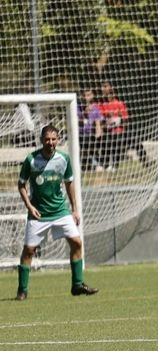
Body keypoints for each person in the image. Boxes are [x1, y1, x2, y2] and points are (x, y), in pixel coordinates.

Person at [15, 124, 99, 300]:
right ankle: (22, 290)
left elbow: (69, 183)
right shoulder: (31, 159)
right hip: (39, 213)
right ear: (41, 140)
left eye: (53, 139)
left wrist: (75, 209)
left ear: (58, 140)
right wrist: (29, 207)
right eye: (47, 139)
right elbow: (21, 184)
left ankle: (77, 285)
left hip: (60, 211)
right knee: (29, 250)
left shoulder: (64, 159)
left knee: (76, 242)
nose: (50, 142)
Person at [99, 80, 129, 171]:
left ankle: (115, 165)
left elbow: (125, 119)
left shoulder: (119, 104)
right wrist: (107, 119)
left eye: (110, 94)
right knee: (106, 140)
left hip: (119, 131)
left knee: (115, 140)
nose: (108, 96)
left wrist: (119, 118)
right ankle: (106, 164)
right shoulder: (103, 105)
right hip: (108, 131)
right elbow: (102, 119)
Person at [78, 88, 104, 171]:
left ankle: (97, 163)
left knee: (96, 140)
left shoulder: (96, 108)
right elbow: (77, 122)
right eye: (84, 95)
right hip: (80, 134)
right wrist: (84, 114)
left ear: (92, 95)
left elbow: (98, 123)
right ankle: (89, 164)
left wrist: (98, 134)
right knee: (85, 143)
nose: (86, 97)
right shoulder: (77, 107)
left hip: (91, 135)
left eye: (88, 95)